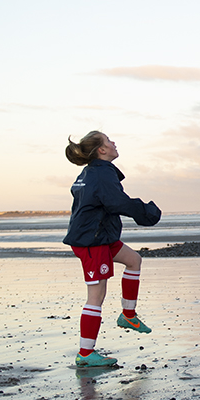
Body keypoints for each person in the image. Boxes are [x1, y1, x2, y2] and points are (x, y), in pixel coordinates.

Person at [63, 131, 162, 367]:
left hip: (101, 236)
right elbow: (116, 202)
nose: (114, 143)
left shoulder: (91, 173)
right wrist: (146, 212)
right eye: (109, 141)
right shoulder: (99, 173)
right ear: (101, 150)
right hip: (92, 241)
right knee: (96, 297)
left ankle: (128, 315)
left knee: (134, 260)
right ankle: (86, 354)